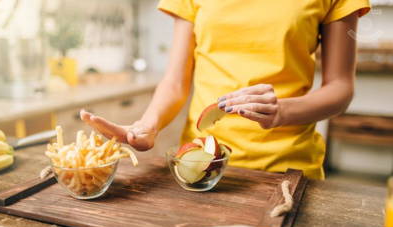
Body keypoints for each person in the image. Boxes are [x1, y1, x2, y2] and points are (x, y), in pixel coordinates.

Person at [81, 0, 370, 179]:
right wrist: (147, 125)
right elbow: (175, 80)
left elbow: (341, 88)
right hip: (201, 163)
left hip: (288, 167)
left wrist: (282, 111)